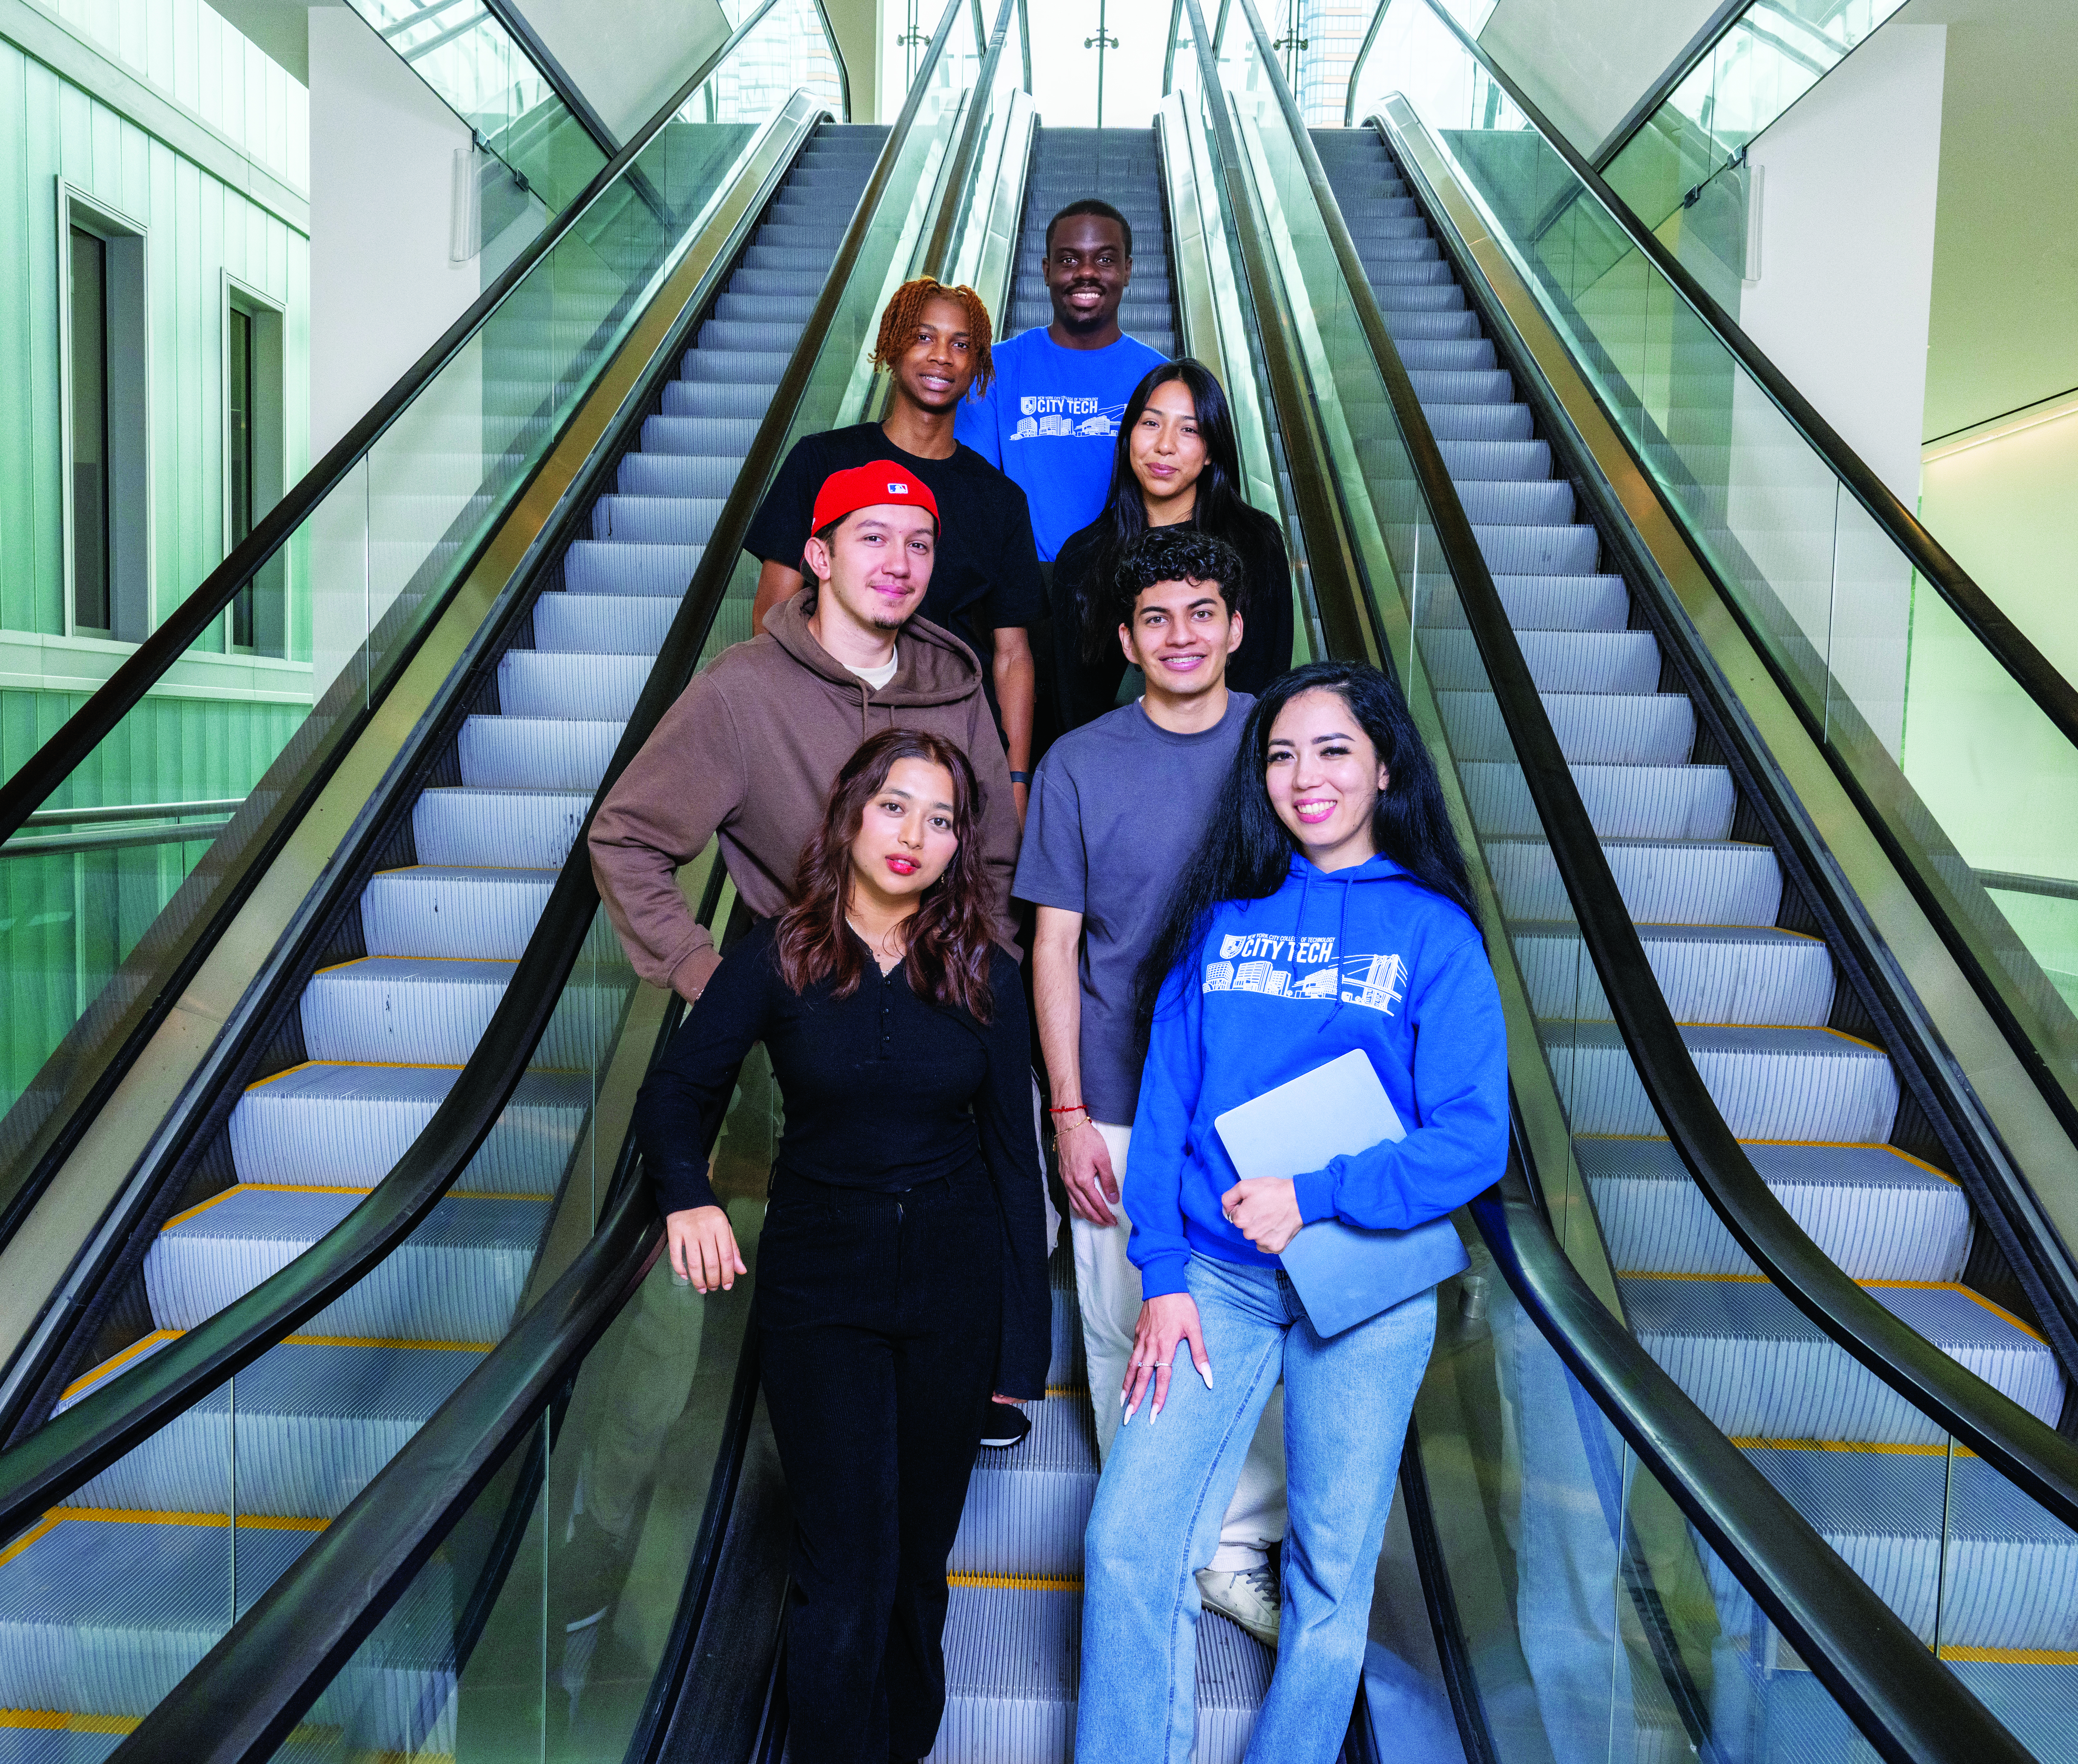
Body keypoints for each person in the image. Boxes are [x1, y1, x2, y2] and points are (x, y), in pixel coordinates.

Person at [1077, 661, 1509, 1763]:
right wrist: (1161, 1276)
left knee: (1327, 1570)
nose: (1302, 776)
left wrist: (1314, 1193)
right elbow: (1165, 1109)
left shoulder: (1435, 935)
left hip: (1362, 1285)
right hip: (1214, 1278)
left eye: (1329, 750)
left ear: (1381, 765)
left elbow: (1470, 1141)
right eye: (1278, 752)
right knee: (1129, 1541)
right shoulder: (1217, 924)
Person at [636, 727, 1047, 1764]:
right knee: (845, 1561)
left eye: (942, 817)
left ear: (962, 843)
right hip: (821, 1293)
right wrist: (687, 1196)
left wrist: (1019, 1352)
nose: (915, 834)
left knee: (915, 1564)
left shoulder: (985, 971)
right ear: (852, 814)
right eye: (895, 806)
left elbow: (1012, 1158)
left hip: (950, 1295)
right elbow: (676, 1092)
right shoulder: (777, 955)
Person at [1015, 526, 1290, 1648]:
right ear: (1126, 638)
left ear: (1234, 626)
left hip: (1261, 1103)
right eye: (1155, 618)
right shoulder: (1080, 760)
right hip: (1122, 1097)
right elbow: (1053, 948)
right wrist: (1067, 1110)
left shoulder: (1285, 746)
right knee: (1124, 1325)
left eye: (1201, 613)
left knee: (1253, 1327)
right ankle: (1149, 1541)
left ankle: (1235, 1550)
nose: (1180, 635)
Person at [590, 461, 1018, 1003]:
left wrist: (982, 974)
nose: (898, 564)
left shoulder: (956, 687)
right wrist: (711, 980)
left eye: (919, 545)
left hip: (939, 1008)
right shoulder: (742, 687)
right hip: (805, 1012)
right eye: (873, 538)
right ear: (820, 557)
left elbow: (995, 855)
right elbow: (627, 838)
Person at [747, 278, 1044, 813]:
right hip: (834, 719)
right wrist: (791, 720)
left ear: (978, 364)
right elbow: (773, 607)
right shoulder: (820, 462)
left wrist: (1016, 779)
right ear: (891, 344)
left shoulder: (999, 499)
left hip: (950, 731)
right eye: (924, 336)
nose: (941, 357)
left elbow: (1012, 653)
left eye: (961, 345)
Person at [1041, 360, 1295, 750]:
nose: (1165, 445)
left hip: (1232, 766)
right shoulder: (1084, 556)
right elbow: (1073, 705)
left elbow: (1266, 680)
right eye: (1151, 423)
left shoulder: (1255, 542)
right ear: (1128, 437)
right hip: (1115, 774)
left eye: (1189, 429)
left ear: (1212, 451)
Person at [957, 199, 1169, 564]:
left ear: (1128, 270)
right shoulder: (993, 369)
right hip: (1022, 586)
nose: (1086, 272)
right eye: (1069, 260)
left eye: (1105, 259)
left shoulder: (1162, 380)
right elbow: (974, 493)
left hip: (1130, 584)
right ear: (1046, 270)